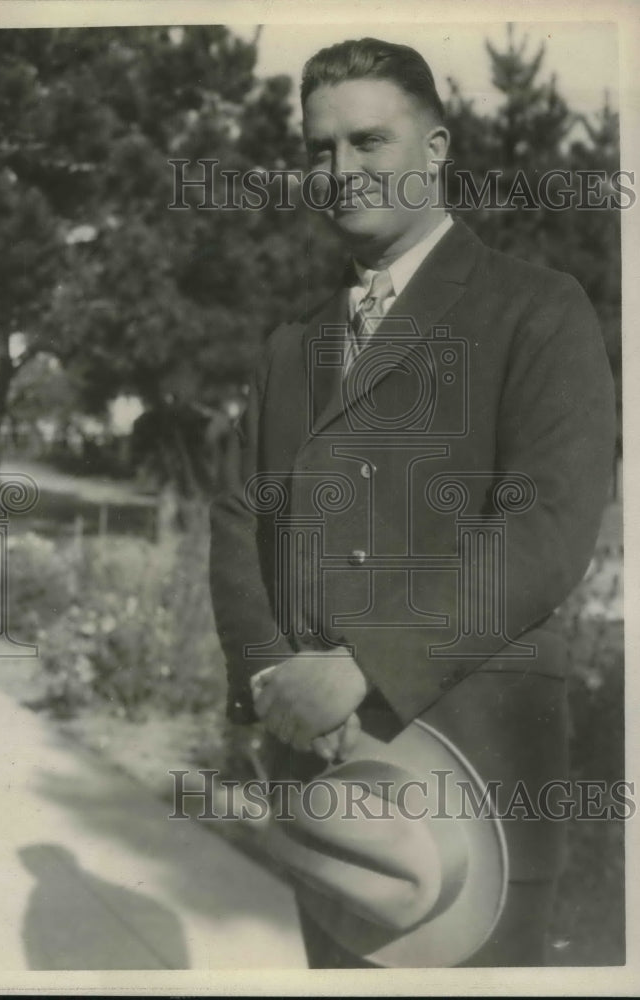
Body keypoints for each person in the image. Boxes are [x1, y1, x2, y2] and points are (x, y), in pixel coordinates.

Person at [209, 37, 616, 967]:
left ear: (434, 149)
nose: (342, 170)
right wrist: (275, 678)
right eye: (321, 149)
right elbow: (241, 518)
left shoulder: (538, 308)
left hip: (475, 774)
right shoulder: (291, 345)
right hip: (325, 775)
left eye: (369, 142)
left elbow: (547, 528)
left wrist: (364, 666)